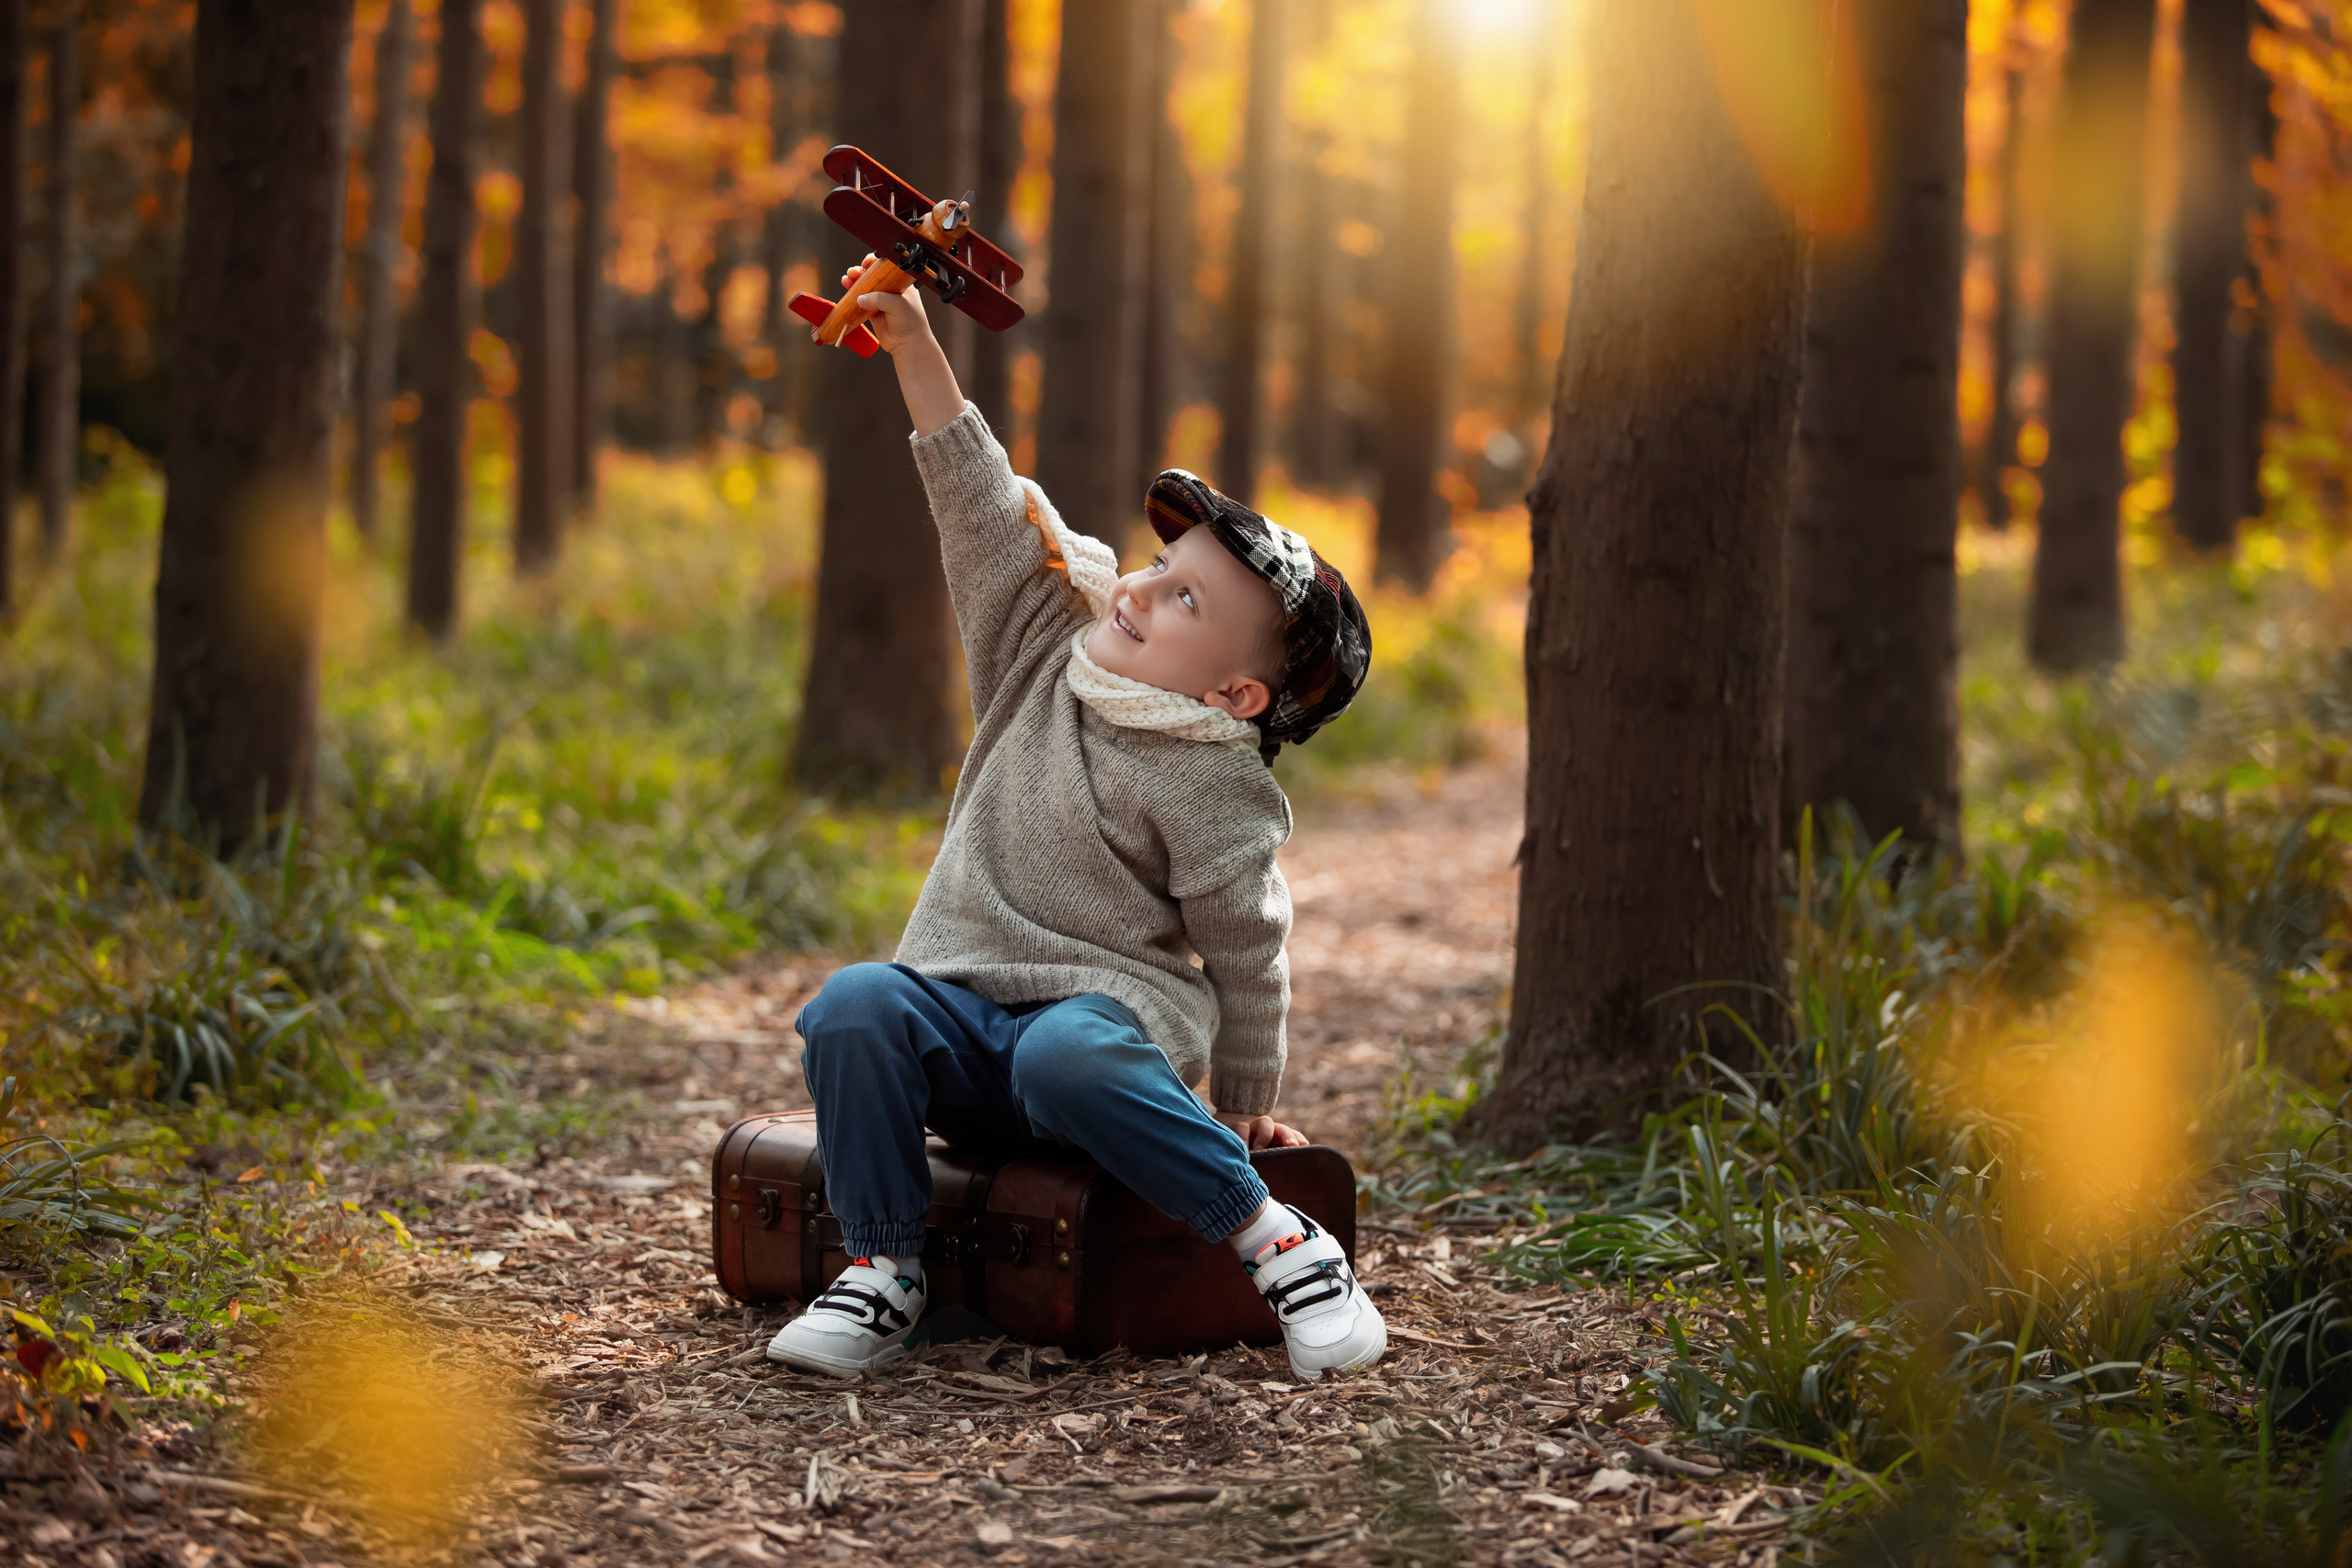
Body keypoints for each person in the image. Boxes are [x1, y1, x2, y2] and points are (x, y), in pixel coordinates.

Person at [767, 255, 1383, 1382]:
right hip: (966, 1029)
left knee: (1065, 1050)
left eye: (1187, 599)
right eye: (1159, 566)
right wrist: (913, 346)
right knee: (854, 1004)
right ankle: (882, 1269)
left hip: (1102, 1043)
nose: (1142, 591)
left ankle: (1285, 1246)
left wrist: (1247, 1103)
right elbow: (982, 506)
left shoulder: (1214, 779)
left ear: (1233, 696)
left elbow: (1247, 949)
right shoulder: (1038, 652)